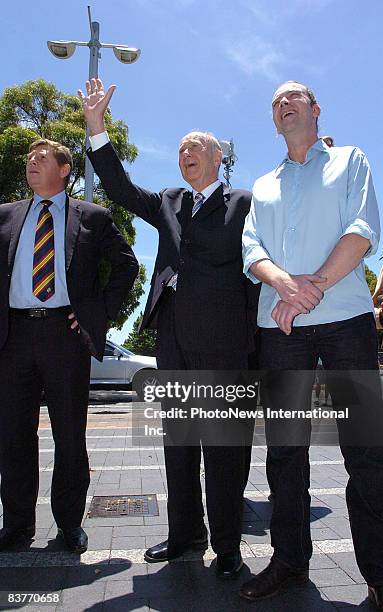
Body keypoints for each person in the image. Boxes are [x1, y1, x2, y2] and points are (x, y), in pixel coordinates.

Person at [79, 78, 260, 578]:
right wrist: (97, 128)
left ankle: (227, 547)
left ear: (217, 157)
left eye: (194, 147)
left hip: (224, 342)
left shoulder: (246, 204)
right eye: (180, 149)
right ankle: (185, 537)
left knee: (224, 447)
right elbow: (119, 188)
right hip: (173, 338)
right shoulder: (168, 201)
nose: (185, 153)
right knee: (178, 441)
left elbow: (259, 269)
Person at [240, 80, 383, 609]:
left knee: (367, 453)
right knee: (284, 451)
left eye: (293, 96)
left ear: (315, 109)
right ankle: (289, 563)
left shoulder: (351, 161)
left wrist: (313, 287)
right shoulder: (264, 184)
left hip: (345, 319)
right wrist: (283, 284)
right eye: (275, 102)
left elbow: (363, 229)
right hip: (281, 327)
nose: (283, 105)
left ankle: (378, 575)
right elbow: (250, 246)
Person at [0, 139, 139, 554]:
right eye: (29, 159)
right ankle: (17, 527)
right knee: (13, 437)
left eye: (40, 158)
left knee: (69, 437)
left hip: (66, 335)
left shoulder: (92, 217)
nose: (31, 162)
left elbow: (126, 264)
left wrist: (97, 313)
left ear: (64, 170)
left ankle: (68, 525)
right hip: (13, 337)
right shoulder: (5, 215)